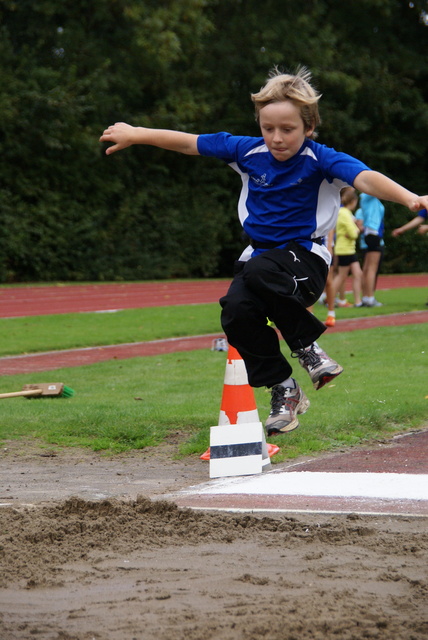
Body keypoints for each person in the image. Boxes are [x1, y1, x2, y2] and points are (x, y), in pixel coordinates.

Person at [99, 66, 428, 437]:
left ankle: (307, 348)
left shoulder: (322, 159)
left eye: (287, 129)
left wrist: (411, 198)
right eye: (267, 128)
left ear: (309, 126)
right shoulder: (247, 151)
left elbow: (366, 178)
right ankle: (284, 388)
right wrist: (137, 134)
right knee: (235, 313)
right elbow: (189, 142)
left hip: (305, 260)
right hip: (260, 259)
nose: (276, 138)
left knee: (259, 272)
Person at [330, 186, 363, 321]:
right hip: (344, 249)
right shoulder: (343, 213)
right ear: (353, 201)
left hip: (350, 249)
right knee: (341, 276)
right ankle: (331, 299)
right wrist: (356, 230)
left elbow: (354, 231)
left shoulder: (346, 213)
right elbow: (353, 232)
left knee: (358, 273)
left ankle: (358, 301)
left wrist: (355, 231)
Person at [355, 193, 385, 307]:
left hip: (369, 234)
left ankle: (366, 297)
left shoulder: (365, 199)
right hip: (373, 233)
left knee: (367, 268)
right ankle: (370, 298)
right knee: (372, 269)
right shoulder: (368, 196)